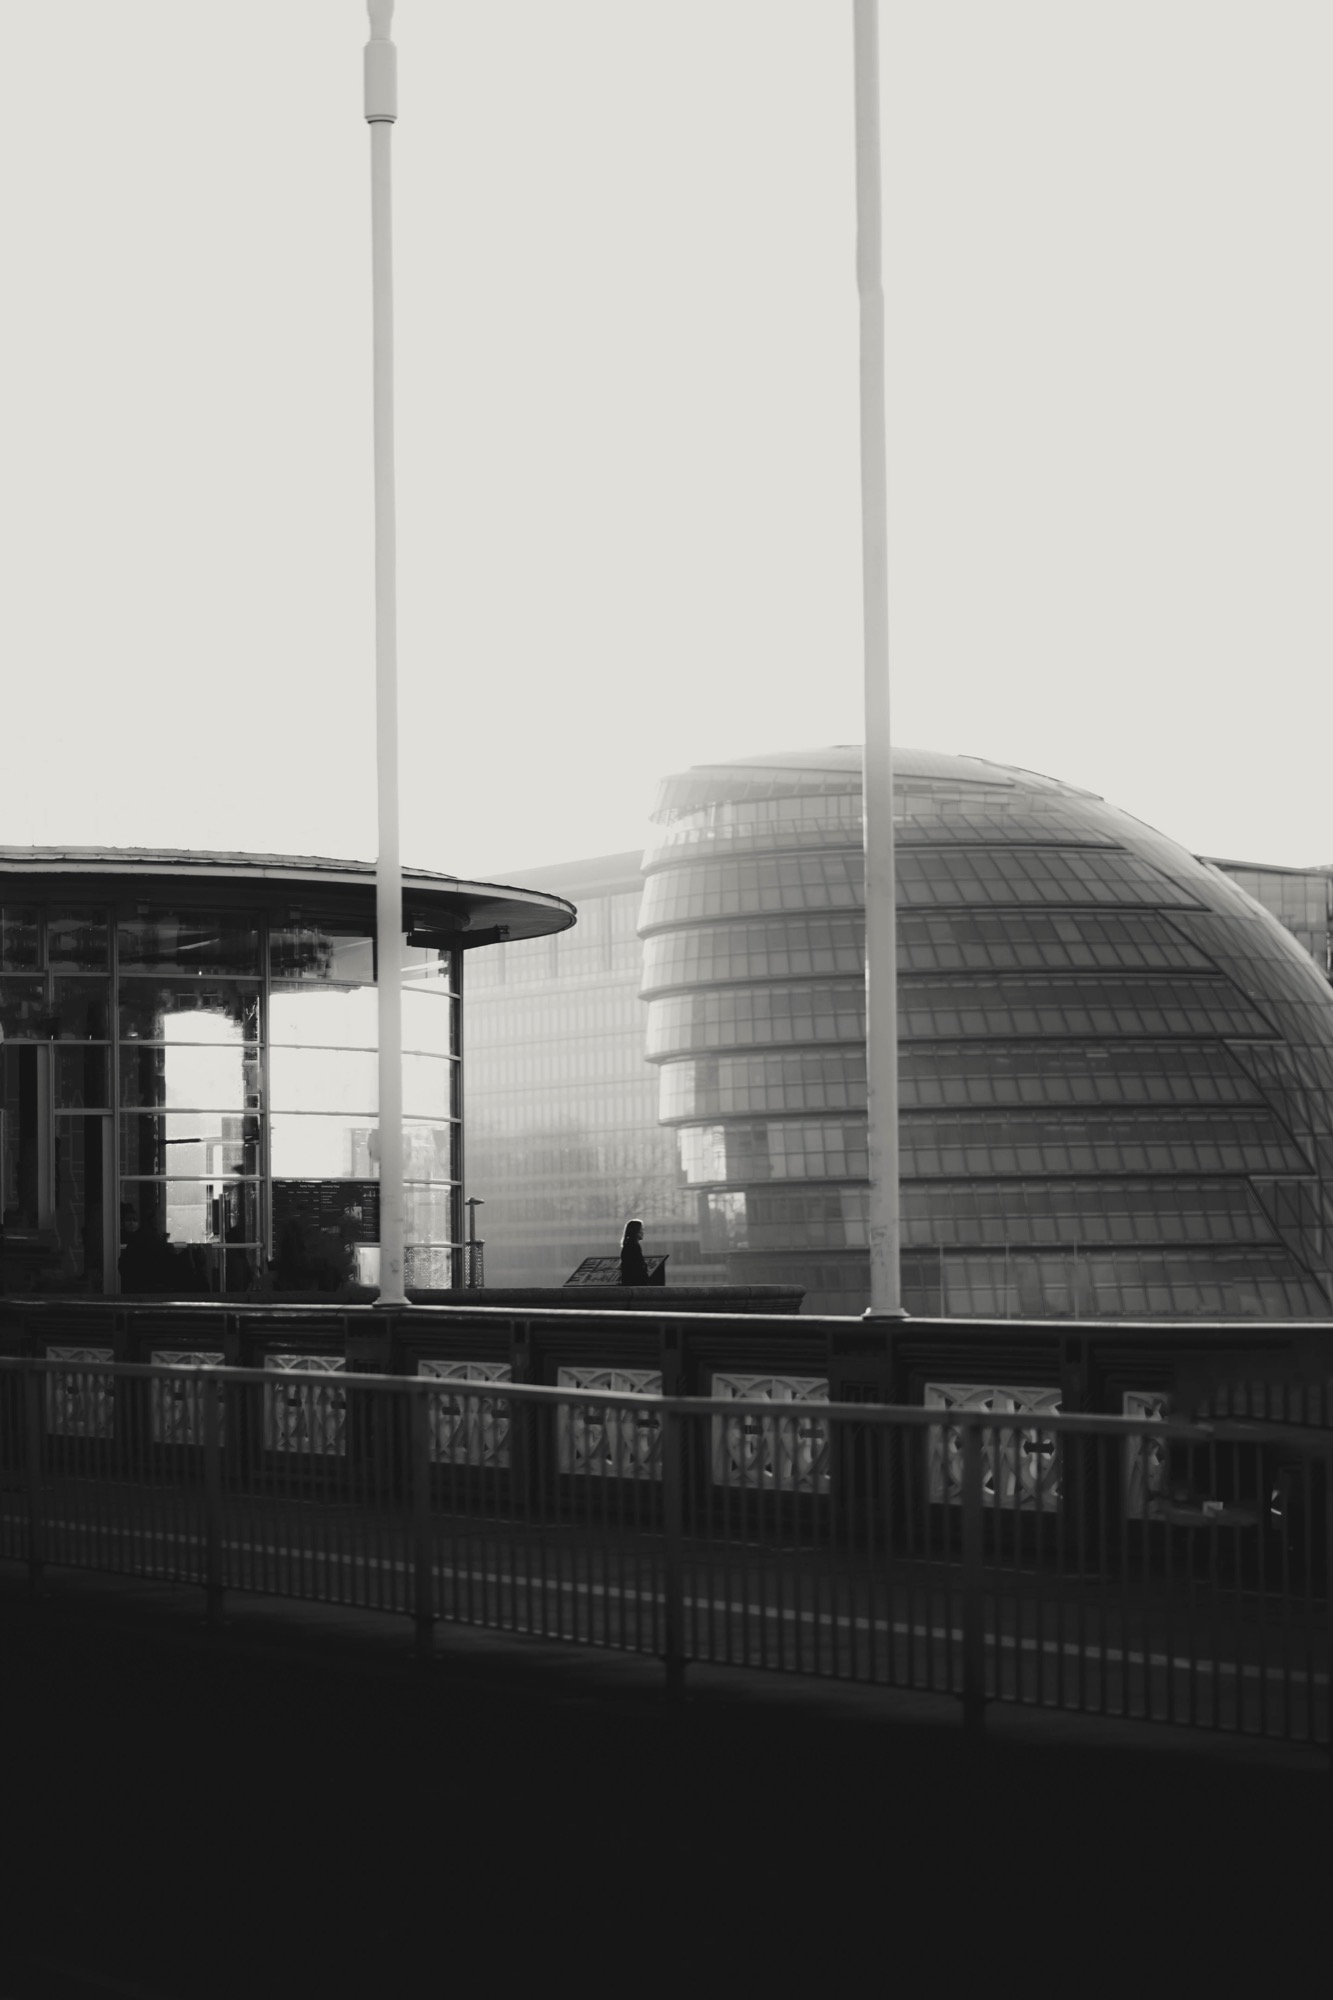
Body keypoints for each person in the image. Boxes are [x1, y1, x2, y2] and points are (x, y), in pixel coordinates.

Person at [618, 1217, 650, 1287]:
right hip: (636, 1284)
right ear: (636, 1231)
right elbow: (638, 1268)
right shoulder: (634, 1246)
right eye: (642, 1229)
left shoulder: (627, 1245)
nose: (643, 1232)